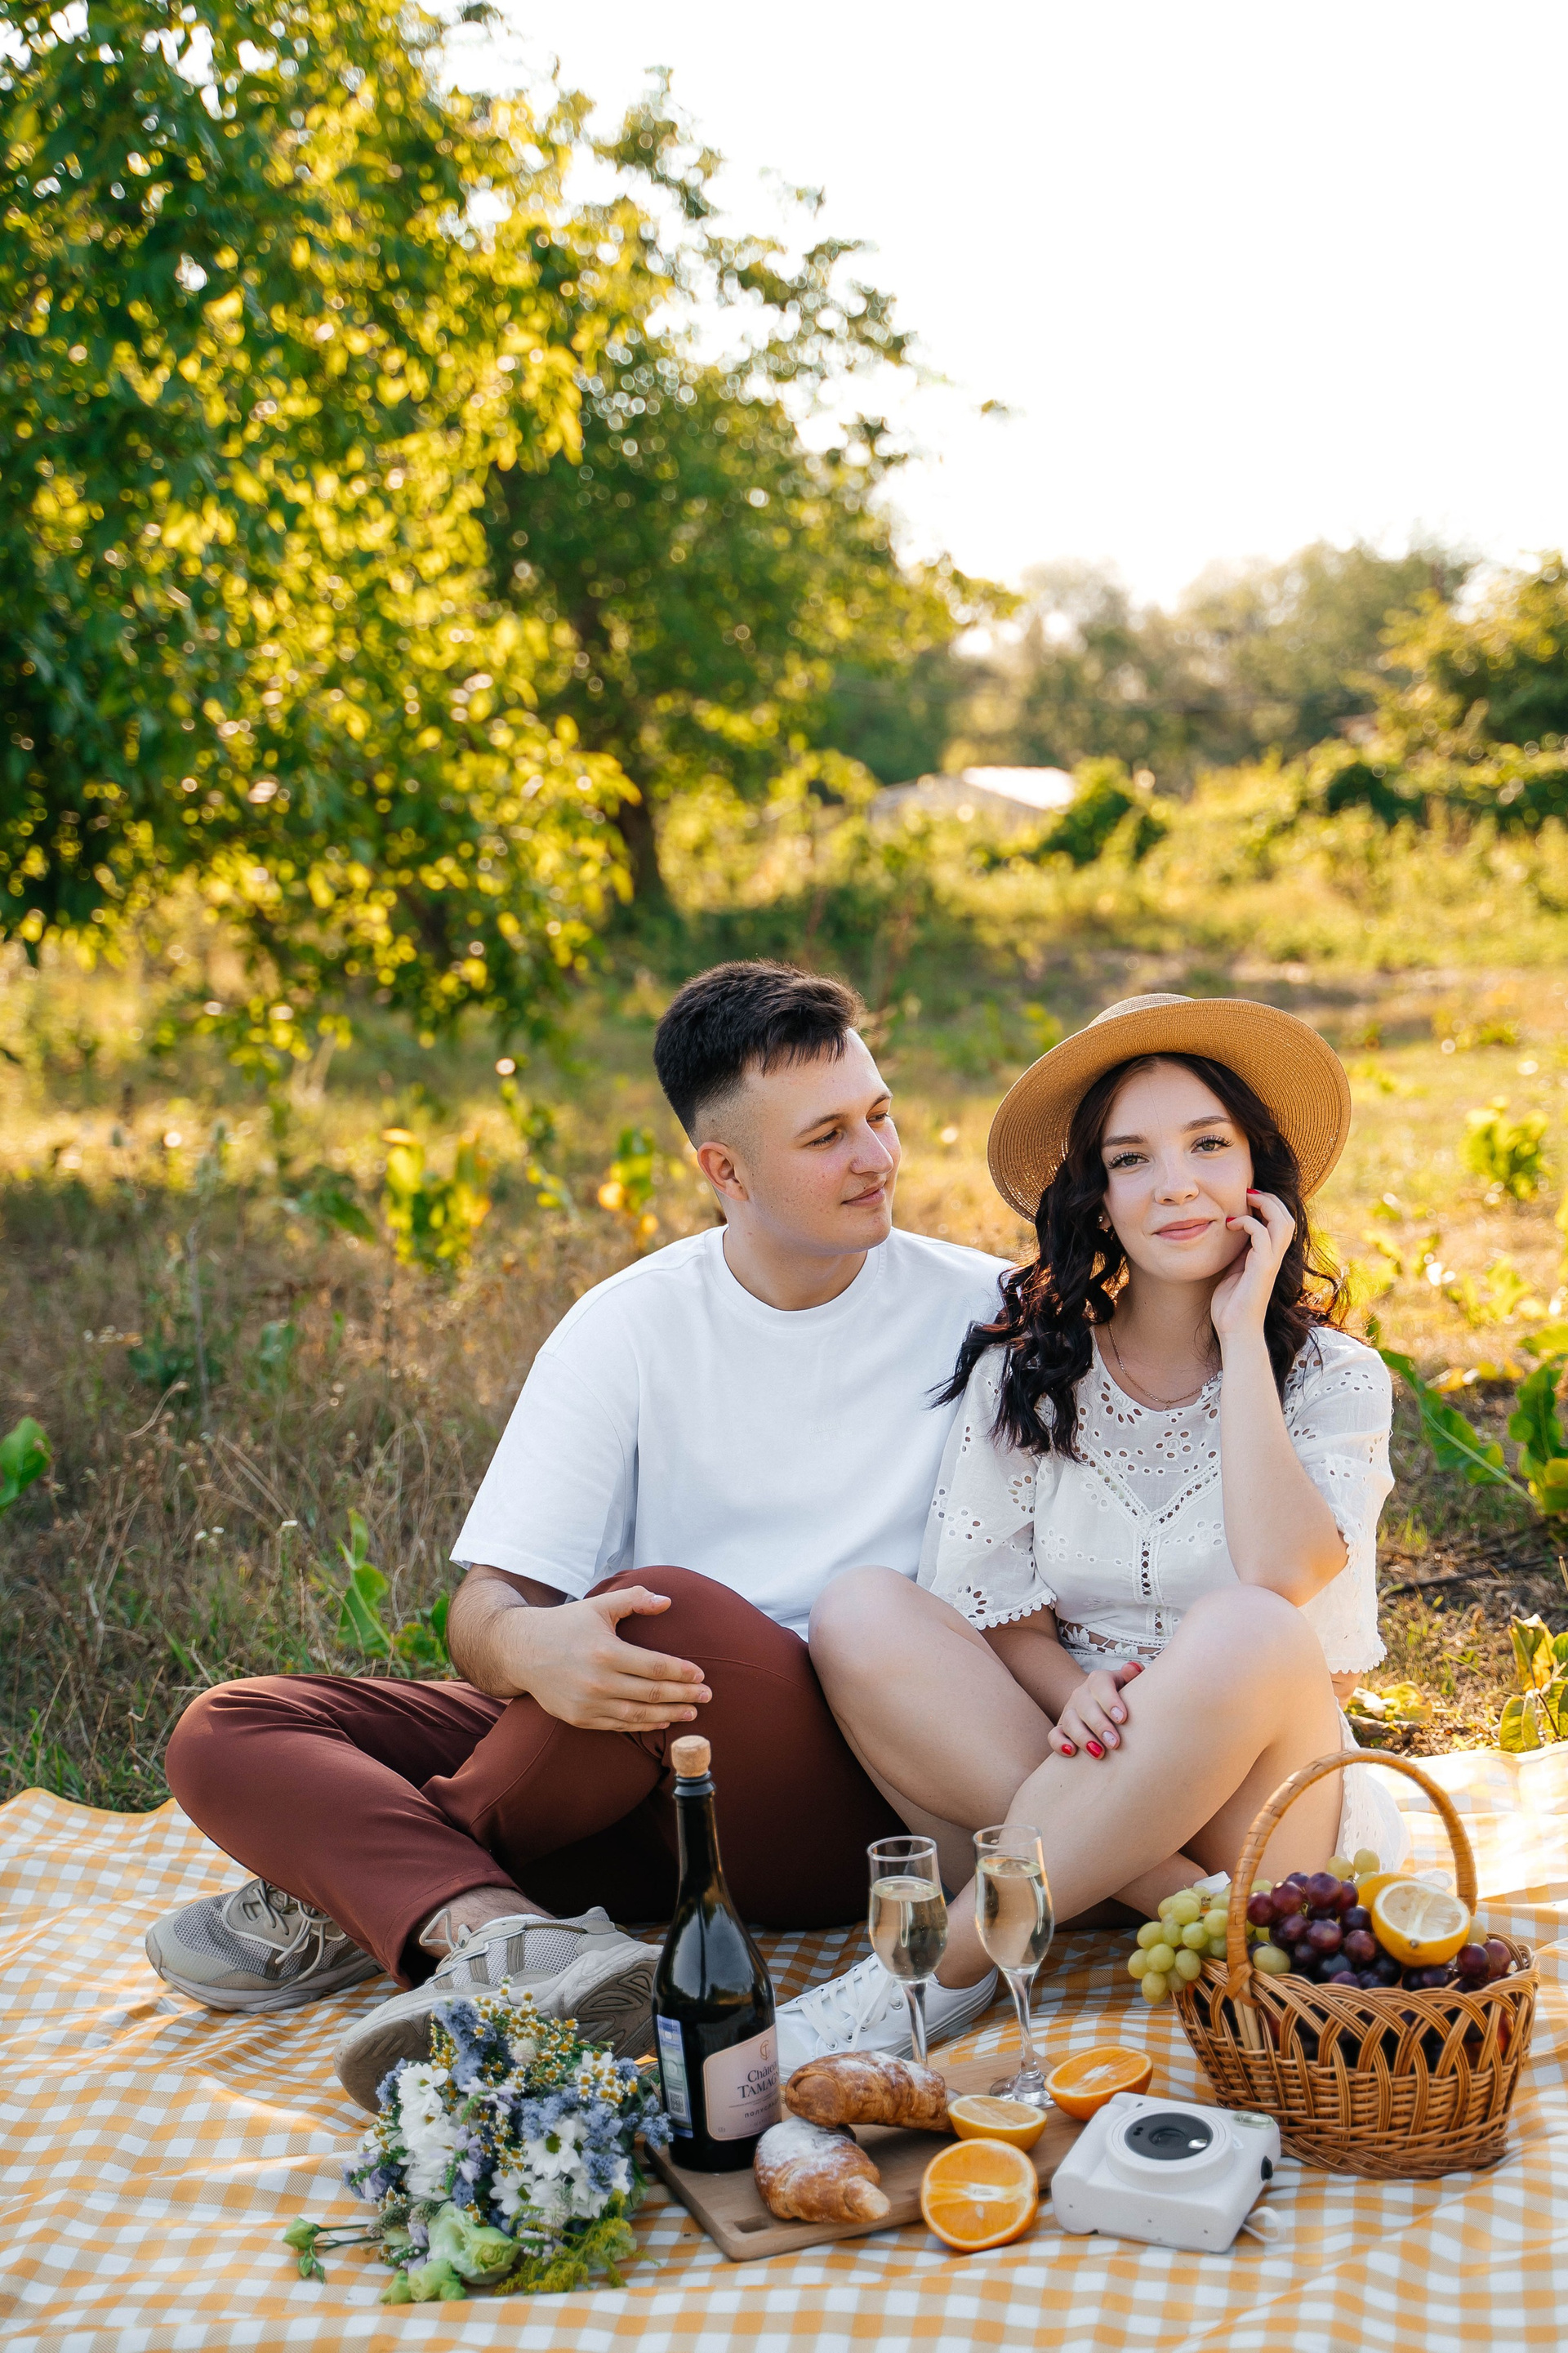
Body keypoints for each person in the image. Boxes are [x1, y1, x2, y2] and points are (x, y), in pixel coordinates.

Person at [145, 960, 1009, 2106]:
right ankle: (503, 1931)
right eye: (829, 1136)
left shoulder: (986, 1311)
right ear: (724, 1170)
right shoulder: (628, 1325)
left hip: (839, 1788)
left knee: (662, 1611)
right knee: (230, 1725)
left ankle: (357, 1885)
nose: (878, 1156)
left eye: (880, 1115)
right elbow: (484, 1610)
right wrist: (532, 1647)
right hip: (630, 1772)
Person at [782, 992, 1407, 2051]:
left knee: (1248, 1623)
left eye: (1208, 1144)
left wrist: (1242, 1339)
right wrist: (1074, 1695)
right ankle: (1184, 1910)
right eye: (1131, 1159)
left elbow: (1283, 1572)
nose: (1176, 1185)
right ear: (1098, 1199)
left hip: (1258, 1808)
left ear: (1259, 1172)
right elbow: (1001, 1616)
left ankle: (938, 1967)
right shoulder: (1030, 1370)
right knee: (858, 1609)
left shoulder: (1333, 1377)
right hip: (1070, 1761)